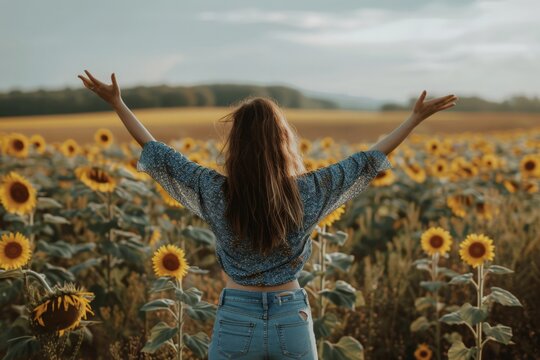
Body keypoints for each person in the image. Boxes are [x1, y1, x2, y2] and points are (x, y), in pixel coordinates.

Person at [78, 70, 457, 359]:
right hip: (292, 316)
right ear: (283, 142)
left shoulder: (214, 190)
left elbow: (157, 151)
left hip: (235, 318)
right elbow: (365, 162)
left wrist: (117, 104)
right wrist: (413, 120)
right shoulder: (307, 191)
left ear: (235, 145)